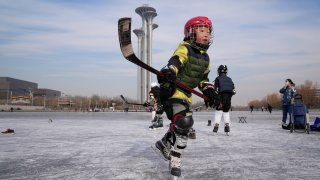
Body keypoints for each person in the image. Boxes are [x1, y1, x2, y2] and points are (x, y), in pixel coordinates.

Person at [153, 16, 216, 177]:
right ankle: (176, 160)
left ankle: (163, 143)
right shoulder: (185, 48)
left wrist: (209, 91)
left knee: (183, 127)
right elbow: (175, 62)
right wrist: (169, 72)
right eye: (201, 30)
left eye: (208, 31)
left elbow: (203, 79)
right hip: (173, 92)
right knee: (185, 122)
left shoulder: (206, 59)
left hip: (186, 95)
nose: (206, 34)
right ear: (190, 33)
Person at [212, 65, 236, 135]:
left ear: (219, 71)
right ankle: (227, 127)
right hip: (229, 97)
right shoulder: (230, 79)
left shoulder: (217, 78)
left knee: (218, 111)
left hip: (221, 97)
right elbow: (234, 90)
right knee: (226, 112)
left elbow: (215, 90)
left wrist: (215, 98)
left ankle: (216, 127)